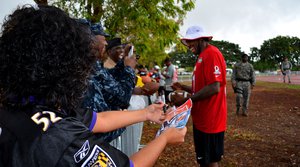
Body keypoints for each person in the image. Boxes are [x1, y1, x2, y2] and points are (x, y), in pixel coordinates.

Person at [0, 5, 187, 167]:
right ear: (66, 65)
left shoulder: (22, 104)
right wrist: (164, 138)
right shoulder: (61, 137)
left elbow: (100, 120)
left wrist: (147, 113)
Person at [172, 25, 227, 167]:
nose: (189, 45)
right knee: (203, 160)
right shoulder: (201, 57)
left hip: (211, 120)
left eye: (192, 41)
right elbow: (201, 89)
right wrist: (183, 87)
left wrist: (187, 100)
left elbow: (214, 87)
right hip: (202, 119)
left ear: (202, 39)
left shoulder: (212, 53)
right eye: (187, 41)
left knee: (211, 161)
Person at [79, 21, 136, 142]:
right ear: (89, 39)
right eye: (103, 38)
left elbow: (110, 78)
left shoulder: (90, 66)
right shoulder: (86, 70)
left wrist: (123, 64)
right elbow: (122, 98)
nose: (106, 42)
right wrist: (129, 69)